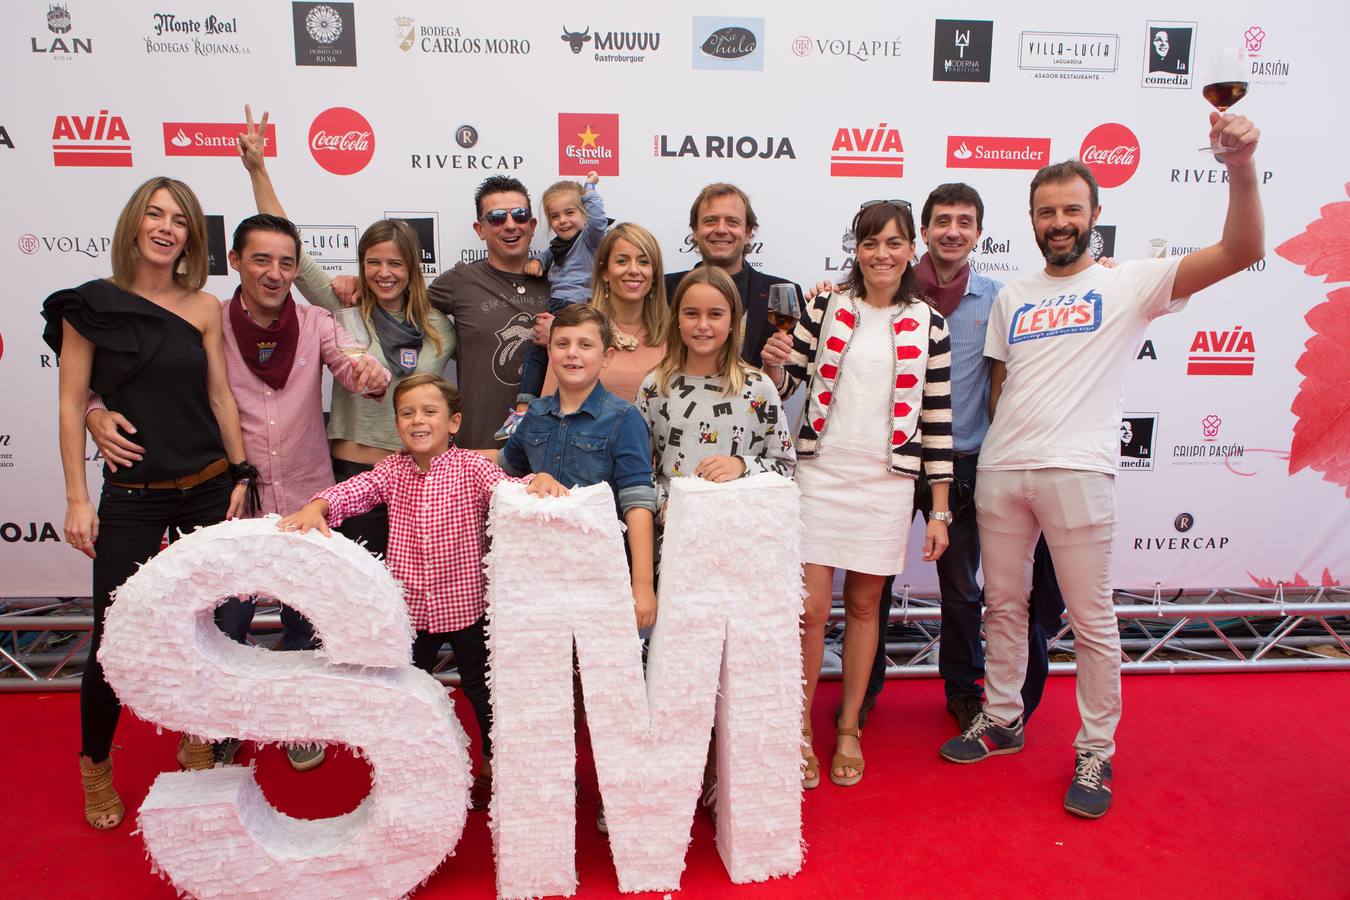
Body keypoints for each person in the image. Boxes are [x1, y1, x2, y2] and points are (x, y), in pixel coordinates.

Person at [939, 114, 1266, 820]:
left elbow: (1242, 249)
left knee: (1091, 620)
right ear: (1030, 219)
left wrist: (1240, 166)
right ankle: (1001, 719)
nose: (1059, 222)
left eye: (1071, 210)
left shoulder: (1131, 284)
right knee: (1003, 606)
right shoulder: (1013, 297)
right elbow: (1000, 388)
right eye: (1047, 211)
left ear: (1094, 215)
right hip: (1002, 472)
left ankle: (1095, 748)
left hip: (1079, 472)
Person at [85, 211, 391, 772]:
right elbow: (134, 377)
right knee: (226, 623)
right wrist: (94, 410)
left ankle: (299, 722)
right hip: (229, 498)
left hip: (306, 497)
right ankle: (223, 725)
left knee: (305, 620)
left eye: (287, 262)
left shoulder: (318, 321)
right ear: (234, 261)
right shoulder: (206, 320)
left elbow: (353, 364)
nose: (275, 273)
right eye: (261, 259)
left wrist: (370, 373)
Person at [43, 176, 252, 830]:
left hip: (209, 484)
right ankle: (95, 765)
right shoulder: (90, 306)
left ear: (192, 235)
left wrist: (242, 471)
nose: (167, 227)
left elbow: (220, 396)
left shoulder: (204, 308)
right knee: (114, 639)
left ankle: (196, 734)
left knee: (206, 630)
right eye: (156, 215)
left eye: (181, 220)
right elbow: (73, 402)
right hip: (131, 496)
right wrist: (79, 499)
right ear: (135, 224)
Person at [278, 374, 566, 810]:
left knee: (483, 692)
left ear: (453, 423)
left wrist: (538, 479)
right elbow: (354, 492)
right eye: (407, 413)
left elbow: (510, 491)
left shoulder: (472, 467)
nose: (418, 420)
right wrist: (319, 506)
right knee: (408, 694)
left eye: (429, 412)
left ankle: (494, 762)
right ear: (397, 423)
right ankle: (410, 770)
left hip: (468, 610)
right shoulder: (391, 471)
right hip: (412, 615)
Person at [856, 184, 1067, 733]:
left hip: (966, 463)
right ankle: (864, 688)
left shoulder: (999, 298)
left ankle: (963, 690)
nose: (953, 230)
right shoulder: (886, 291)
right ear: (922, 231)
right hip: (891, 463)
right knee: (872, 582)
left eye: (965, 222)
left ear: (979, 234)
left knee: (962, 588)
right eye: (942, 220)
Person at [765, 200, 953, 789]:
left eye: (894, 243)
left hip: (887, 482)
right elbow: (785, 382)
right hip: (820, 474)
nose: (881, 254)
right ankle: (795, 728)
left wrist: (941, 509)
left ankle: (848, 726)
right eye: (871, 242)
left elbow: (939, 421)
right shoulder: (825, 304)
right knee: (812, 611)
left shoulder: (931, 324)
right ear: (857, 248)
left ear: (910, 249)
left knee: (867, 608)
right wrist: (774, 366)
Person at [239, 108, 454, 561]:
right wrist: (259, 170)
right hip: (354, 471)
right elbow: (289, 243)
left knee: (418, 582)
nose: (384, 272)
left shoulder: (439, 328)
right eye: (374, 262)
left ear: (413, 267)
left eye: (396, 263)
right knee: (363, 582)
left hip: (422, 475)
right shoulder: (342, 306)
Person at [497, 303, 658, 834]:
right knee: (552, 685)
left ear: (606, 355)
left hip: (603, 579)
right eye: (563, 344)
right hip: (541, 579)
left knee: (612, 687)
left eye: (586, 345)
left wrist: (642, 585)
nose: (572, 354)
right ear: (550, 350)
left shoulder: (623, 418)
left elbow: (637, 500)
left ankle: (622, 787)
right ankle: (555, 779)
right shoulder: (534, 416)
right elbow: (507, 476)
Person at [637, 266, 795, 514]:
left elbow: (785, 465)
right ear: (676, 318)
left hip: (741, 534)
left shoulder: (759, 387)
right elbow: (638, 470)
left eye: (715, 314)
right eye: (691, 314)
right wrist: (663, 504)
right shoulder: (655, 387)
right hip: (675, 536)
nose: (702, 325)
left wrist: (741, 465)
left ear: (733, 320)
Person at [496, 171, 607, 439]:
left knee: (567, 359)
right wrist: (537, 263)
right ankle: (524, 411)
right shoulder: (557, 247)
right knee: (535, 354)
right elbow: (543, 258)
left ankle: (572, 415)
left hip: (578, 308)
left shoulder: (589, 241)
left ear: (584, 214)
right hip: (556, 306)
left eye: (570, 212)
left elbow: (599, 223)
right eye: (555, 216)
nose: (562, 221)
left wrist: (589, 189)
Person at [664, 183, 804, 367]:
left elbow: (789, 384)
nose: (721, 229)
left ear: (747, 232)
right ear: (695, 231)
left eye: (732, 221)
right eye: (710, 221)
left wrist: (773, 366)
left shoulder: (782, 294)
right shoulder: (665, 289)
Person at [538, 223, 668, 403]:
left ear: (654, 274)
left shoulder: (675, 336)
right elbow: (548, 414)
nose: (633, 270)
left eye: (644, 261)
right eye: (622, 261)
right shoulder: (576, 329)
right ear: (604, 271)